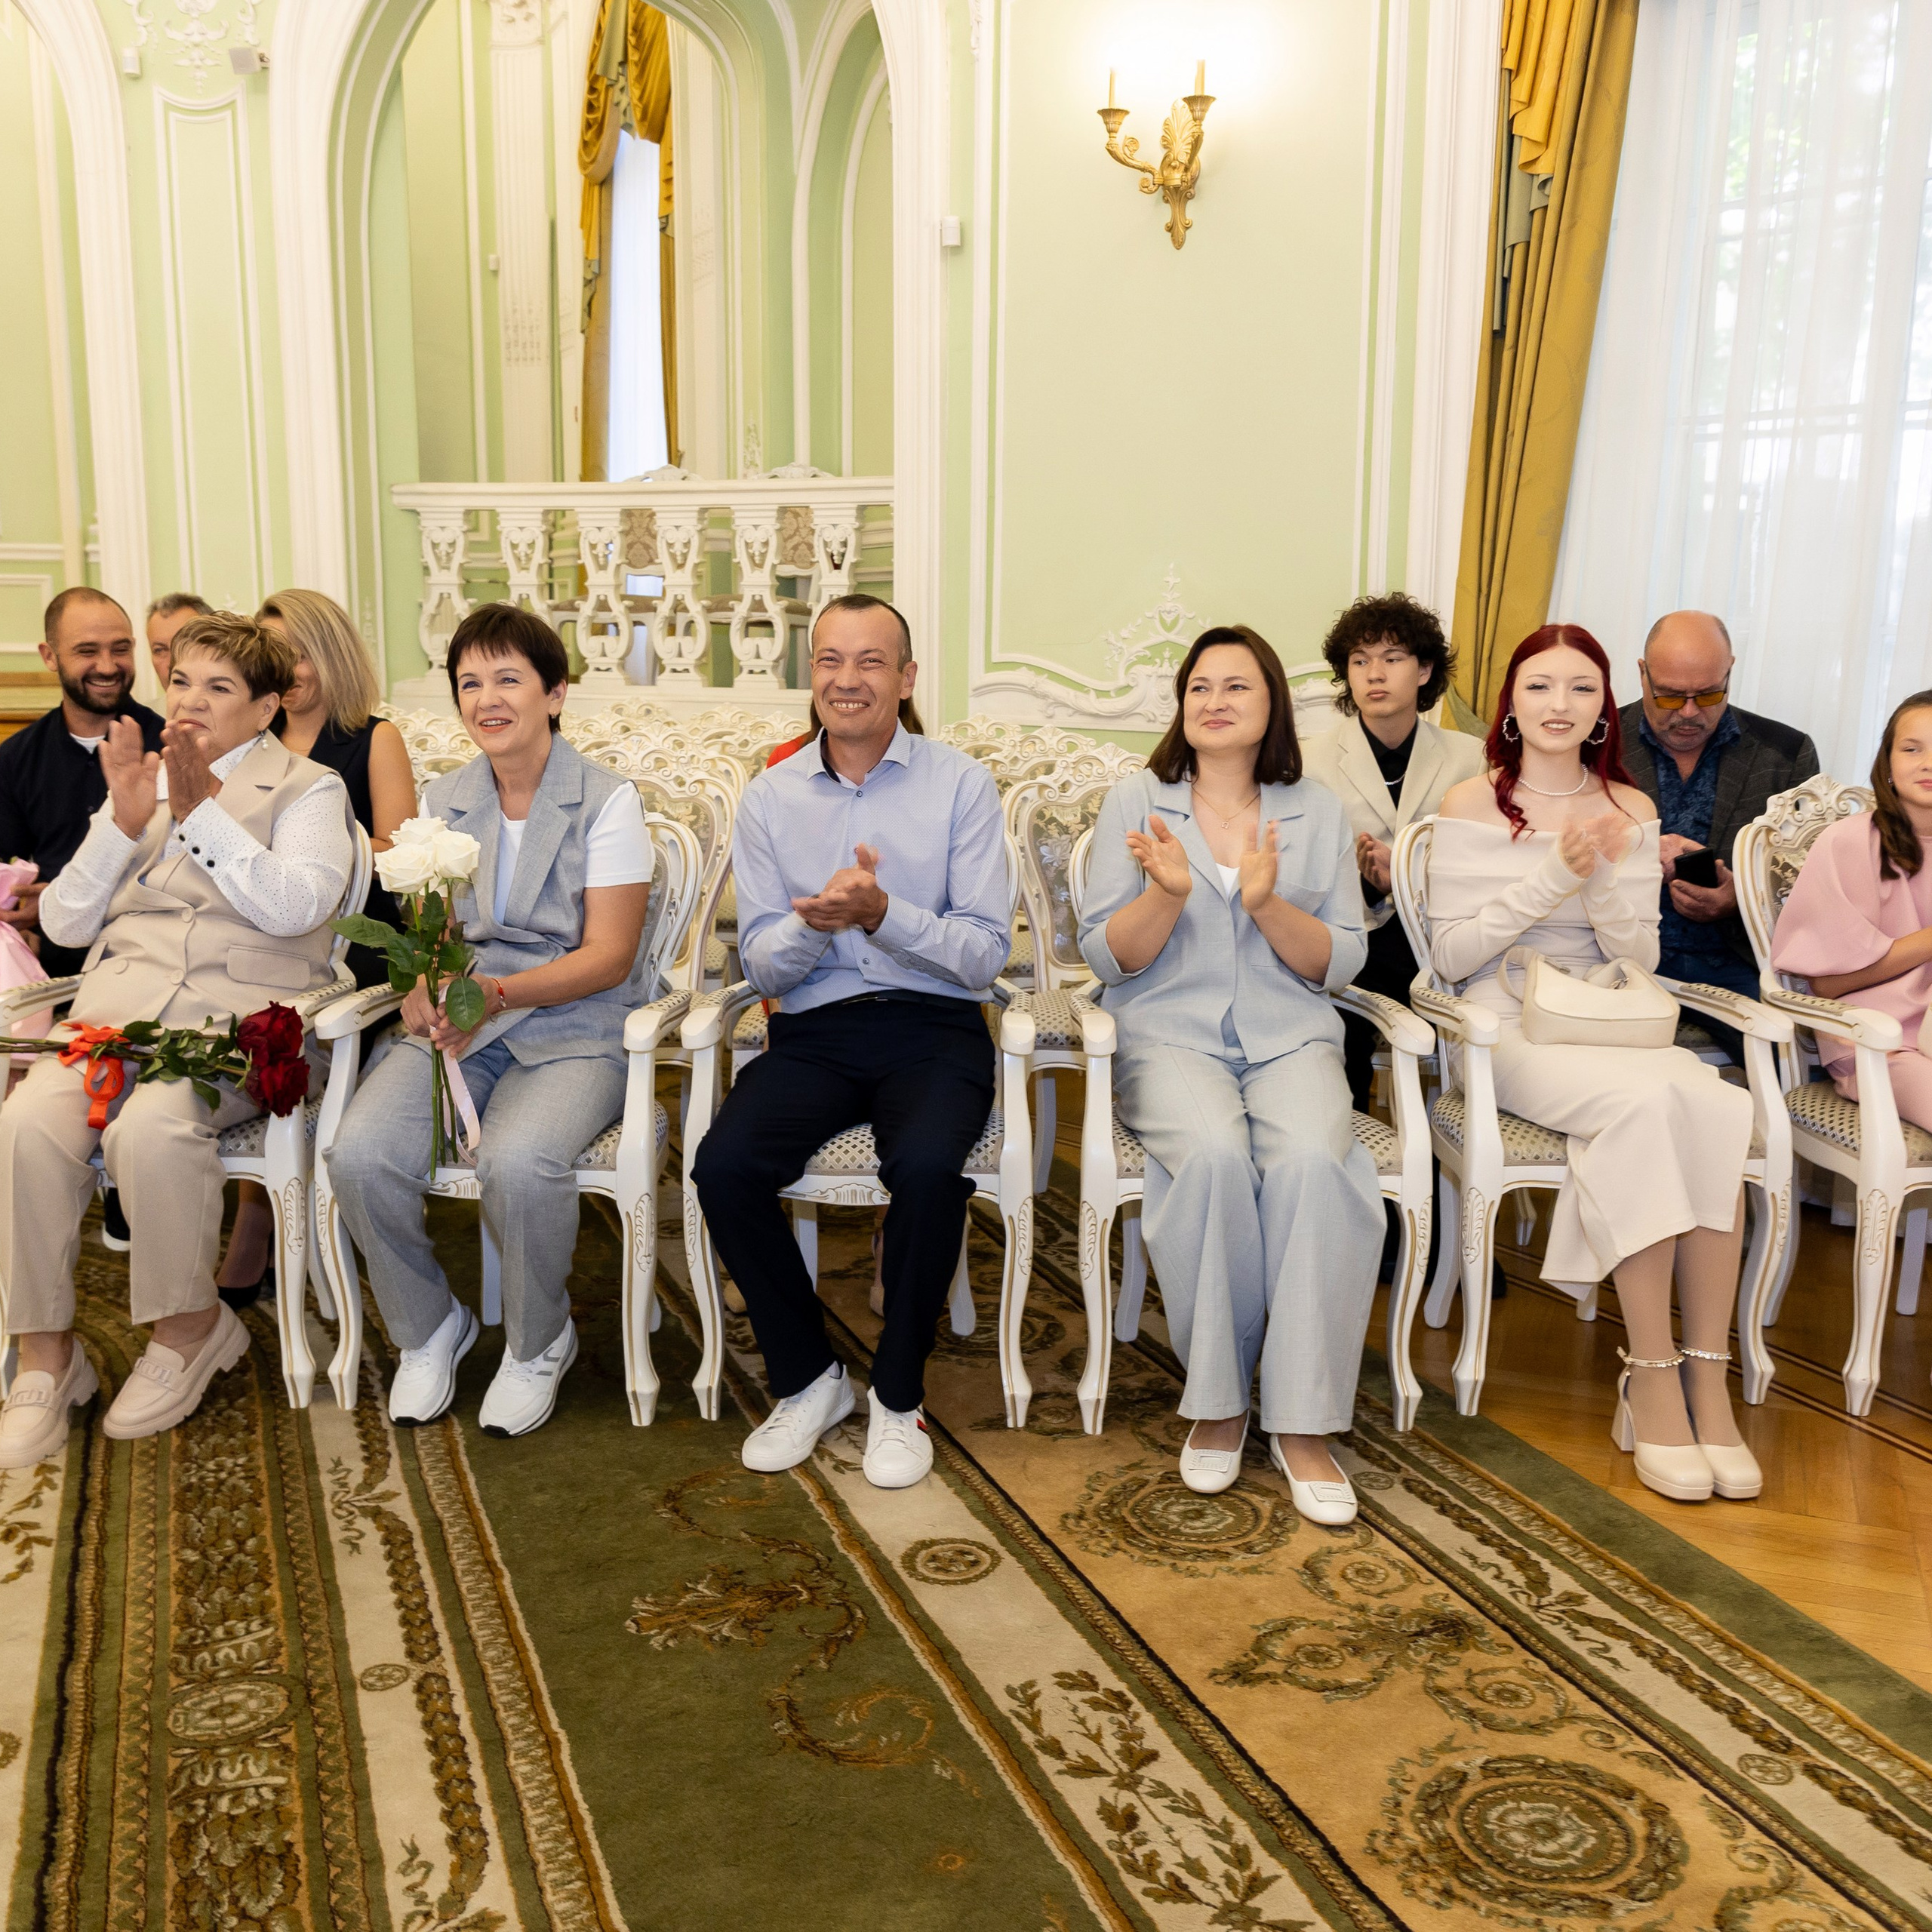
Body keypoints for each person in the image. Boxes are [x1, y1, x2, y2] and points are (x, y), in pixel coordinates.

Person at [0, 614, 355, 1469]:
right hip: (113, 1021)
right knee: (26, 1124)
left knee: (151, 1128)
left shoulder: (309, 790)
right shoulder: (140, 783)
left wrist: (201, 813)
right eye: (184, 682)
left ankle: (190, 1325)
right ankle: (48, 1356)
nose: (191, 702)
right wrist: (122, 823)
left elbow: (297, 907)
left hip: (240, 1029)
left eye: (220, 688)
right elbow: (65, 921)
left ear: (267, 708)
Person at [1429, 624, 1760, 1505]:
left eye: (1581, 688)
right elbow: (1451, 957)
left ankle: (1706, 1374)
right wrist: (1552, 879)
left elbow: (1639, 959)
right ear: (1511, 704)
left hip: (1608, 1019)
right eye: (1540, 686)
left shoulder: (1631, 808)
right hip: (1502, 1024)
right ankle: (1648, 1369)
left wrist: (1608, 874)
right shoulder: (1468, 804)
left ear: (1602, 707)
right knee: (1652, 1110)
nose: (1559, 705)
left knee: (1717, 1104)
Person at [691, 593, 1008, 1491]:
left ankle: (899, 1395)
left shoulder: (959, 785)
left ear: (906, 680)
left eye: (872, 661)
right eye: (830, 659)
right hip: (814, 1030)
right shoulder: (771, 795)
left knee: (924, 1169)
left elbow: (984, 956)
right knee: (724, 1165)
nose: (847, 678)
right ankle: (808, 1378)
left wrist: (885, 915)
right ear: (812, 676)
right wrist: (819, 927)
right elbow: (762, 963)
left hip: (933, 1026)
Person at [1078, 624, 1383, 1522]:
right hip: (1166, 1033)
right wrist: (1168, 893)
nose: (1214, 700)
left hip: (1291, 1035)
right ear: (1181, 706)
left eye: (1236, 686)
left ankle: (1301, 1420)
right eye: (1199, 685)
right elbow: (1108, 954)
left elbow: (1341, 961)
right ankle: (1218, 1402)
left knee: (1313, 1164)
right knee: (1209, 1156)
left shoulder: (1315, 808)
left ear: (1270, 707)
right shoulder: (1135, 799)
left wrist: (1266, 904)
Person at [325, 605, 653, 1438]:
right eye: (470, 682)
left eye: (508, 678)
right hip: (463, 1025)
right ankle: (430, 1328)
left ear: (555, 693)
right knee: (359, 1154)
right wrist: (423, 984)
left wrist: (495, 998)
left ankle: (541, 1341)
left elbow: (610, 956)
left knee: (521, 1159)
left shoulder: (606, 802)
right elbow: (435, 937)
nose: (487, 698)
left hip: (572, 1025)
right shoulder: (444, 797)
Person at [213, 589, 419, 1308]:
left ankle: (258, 1222)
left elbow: (399, 860)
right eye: (274, 655)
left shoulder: (372, 738)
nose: (290, 668)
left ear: (330, 653)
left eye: (301, 651)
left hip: (351, 945)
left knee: (273, 1029)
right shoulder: (247, 750)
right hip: (258, 935)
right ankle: (257, 1207)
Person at [0, 589, 167, 1252]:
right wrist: (36, 898)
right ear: (49, 657)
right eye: (87, 650)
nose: (108, 664)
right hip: (64, 970)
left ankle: (133, 1177)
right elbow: (14, 889)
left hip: (158, 960)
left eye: (120, 648)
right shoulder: (16, 762)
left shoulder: (172, 741)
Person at [1302, 592, 1487, 1109]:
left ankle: (1437, 1172)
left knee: (1475, 1023)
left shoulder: (1469, 757)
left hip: (1439, 938)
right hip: (1355, 935)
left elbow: (1479, 868)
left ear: (1425, 670)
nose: (1373, 674)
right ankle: (1355, 1161)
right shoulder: (1312, 761)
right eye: (1359, 662)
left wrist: (1406, 877)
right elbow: (1305, 874)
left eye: (1392, 659)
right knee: (1340, 1026)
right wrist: (1368, 883)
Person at [1619, 611, 1818, 1060]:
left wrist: (1741, 900)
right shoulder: (1595, 742)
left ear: (1730, 671)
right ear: (1642, 674)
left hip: (1738, 961)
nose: (1689, 714)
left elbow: (1808, 884)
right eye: (1670, 697)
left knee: (1798, 1057)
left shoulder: (1785, 753)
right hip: (1617, 959)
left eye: (1708, 695)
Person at [1770, 691, 1932, 1130]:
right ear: (1888, 762)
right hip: (1878, 1045)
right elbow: (1828, 983)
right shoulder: (1850, 842)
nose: (1927, 763)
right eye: (1912, 748)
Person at [146, 592, 214, 690]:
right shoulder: (148, 706)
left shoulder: (238, 704)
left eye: (185, 646)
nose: (172, 663)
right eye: (159, 650)